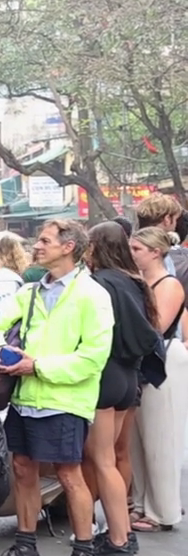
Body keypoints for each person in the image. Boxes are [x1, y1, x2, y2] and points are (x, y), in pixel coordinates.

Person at [0, 218, 112, 556]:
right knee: (22, 468)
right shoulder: (29, 292)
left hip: (65, 400)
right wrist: (0, 352)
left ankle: (84, 553)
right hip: (25, 398)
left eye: (44, 240)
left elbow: (93, 357)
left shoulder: (92, 295)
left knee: (69, 474)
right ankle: (25, 546)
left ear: (68, 246)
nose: (36, 246)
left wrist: (37, 366)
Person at [80, 221, 149, 556]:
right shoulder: (134, 281)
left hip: (105, 373)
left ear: (94, 247)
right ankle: (122, 533)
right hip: (128, 374)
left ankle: (118, 538)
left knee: (101, 459)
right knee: (113, 457)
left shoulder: (98, 284)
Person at [129, 226, 185, 532]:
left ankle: (162, 510)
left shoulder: (169, 284)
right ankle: (140, 503)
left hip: (163, 360)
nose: (132, 254)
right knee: (137, 441)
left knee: (160, 438)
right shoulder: (139, 282)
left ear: (155, 252)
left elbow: (157, 327)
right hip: (143, 362)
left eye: (137, 249)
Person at [134, 192, 188, 277]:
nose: (176, 224)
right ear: (167, 219)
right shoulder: (182, 258)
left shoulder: (129, 253)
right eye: (176, 219)